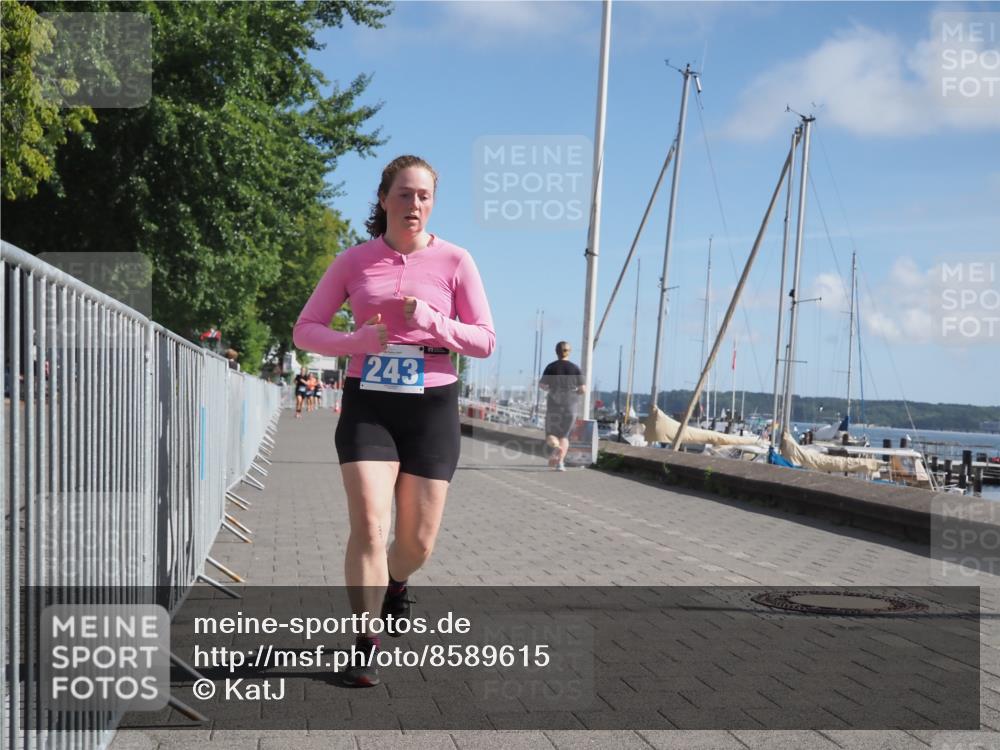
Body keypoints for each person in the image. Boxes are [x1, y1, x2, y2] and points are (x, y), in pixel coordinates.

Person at [292, 154, 495, 687]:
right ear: (383, 200)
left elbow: (486, 341)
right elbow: (305, 330)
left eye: (424, 196)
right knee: (370, 525)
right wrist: (352, 342)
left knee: (416, 543)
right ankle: (364, 642)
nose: (415, 205)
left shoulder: (455, 261)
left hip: (432, 404)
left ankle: (398, 583)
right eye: (404, 194)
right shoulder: (353, 261)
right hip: (369, 402)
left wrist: (434, 321)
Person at [539, 341, 585, 471]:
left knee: (551, 435)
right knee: (565, 436)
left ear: (556, 351)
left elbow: (542, 385)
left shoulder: (551, 367)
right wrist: (574, 393)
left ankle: (556, 449)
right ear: (569, 351)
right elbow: (583, 389)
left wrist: (552, 390)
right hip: (571, 404)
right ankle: (560, 463)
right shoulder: (575, 368)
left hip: (554, 404)